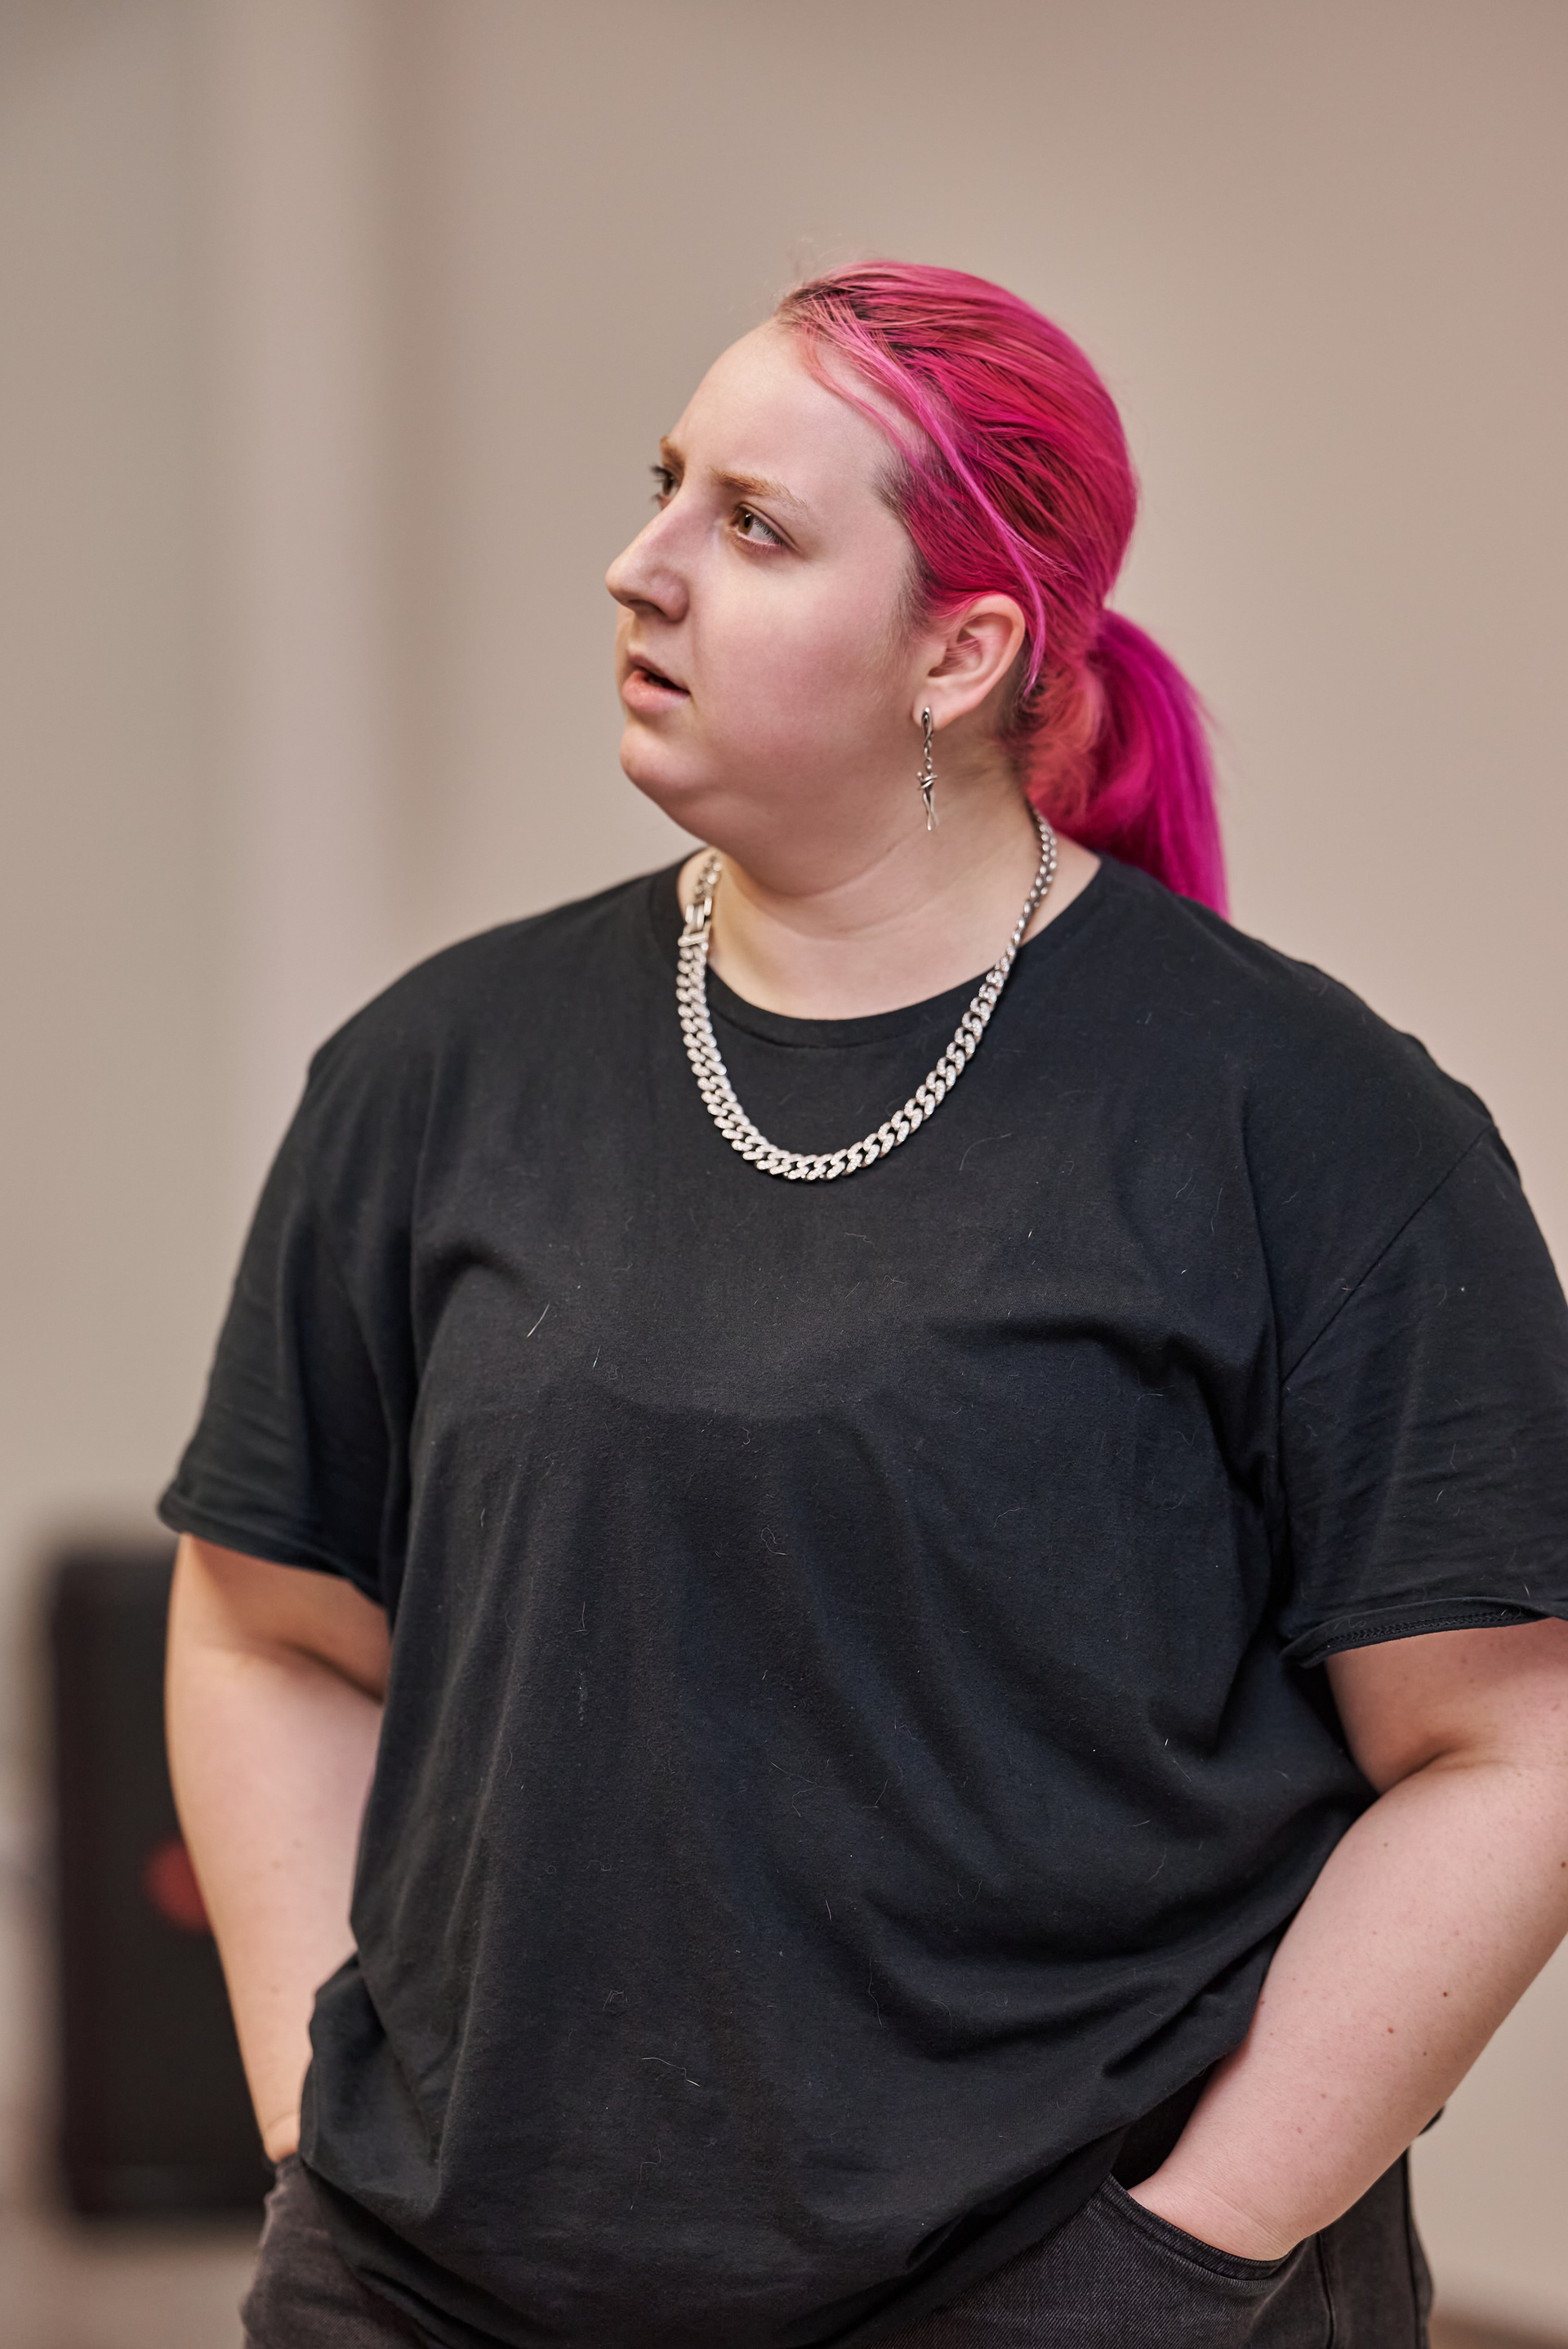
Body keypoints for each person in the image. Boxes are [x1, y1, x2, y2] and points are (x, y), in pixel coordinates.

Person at [163, 262, 1568, 2349]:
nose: (638, 565)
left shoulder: (1311, 1123)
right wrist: (321, 2137)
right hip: (446, 2295)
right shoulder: (437, 1069)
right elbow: (267, 1629)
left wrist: (1171, 2267)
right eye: (664, 484)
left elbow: (1510, 1746)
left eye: (751, 524)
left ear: (961, 652)